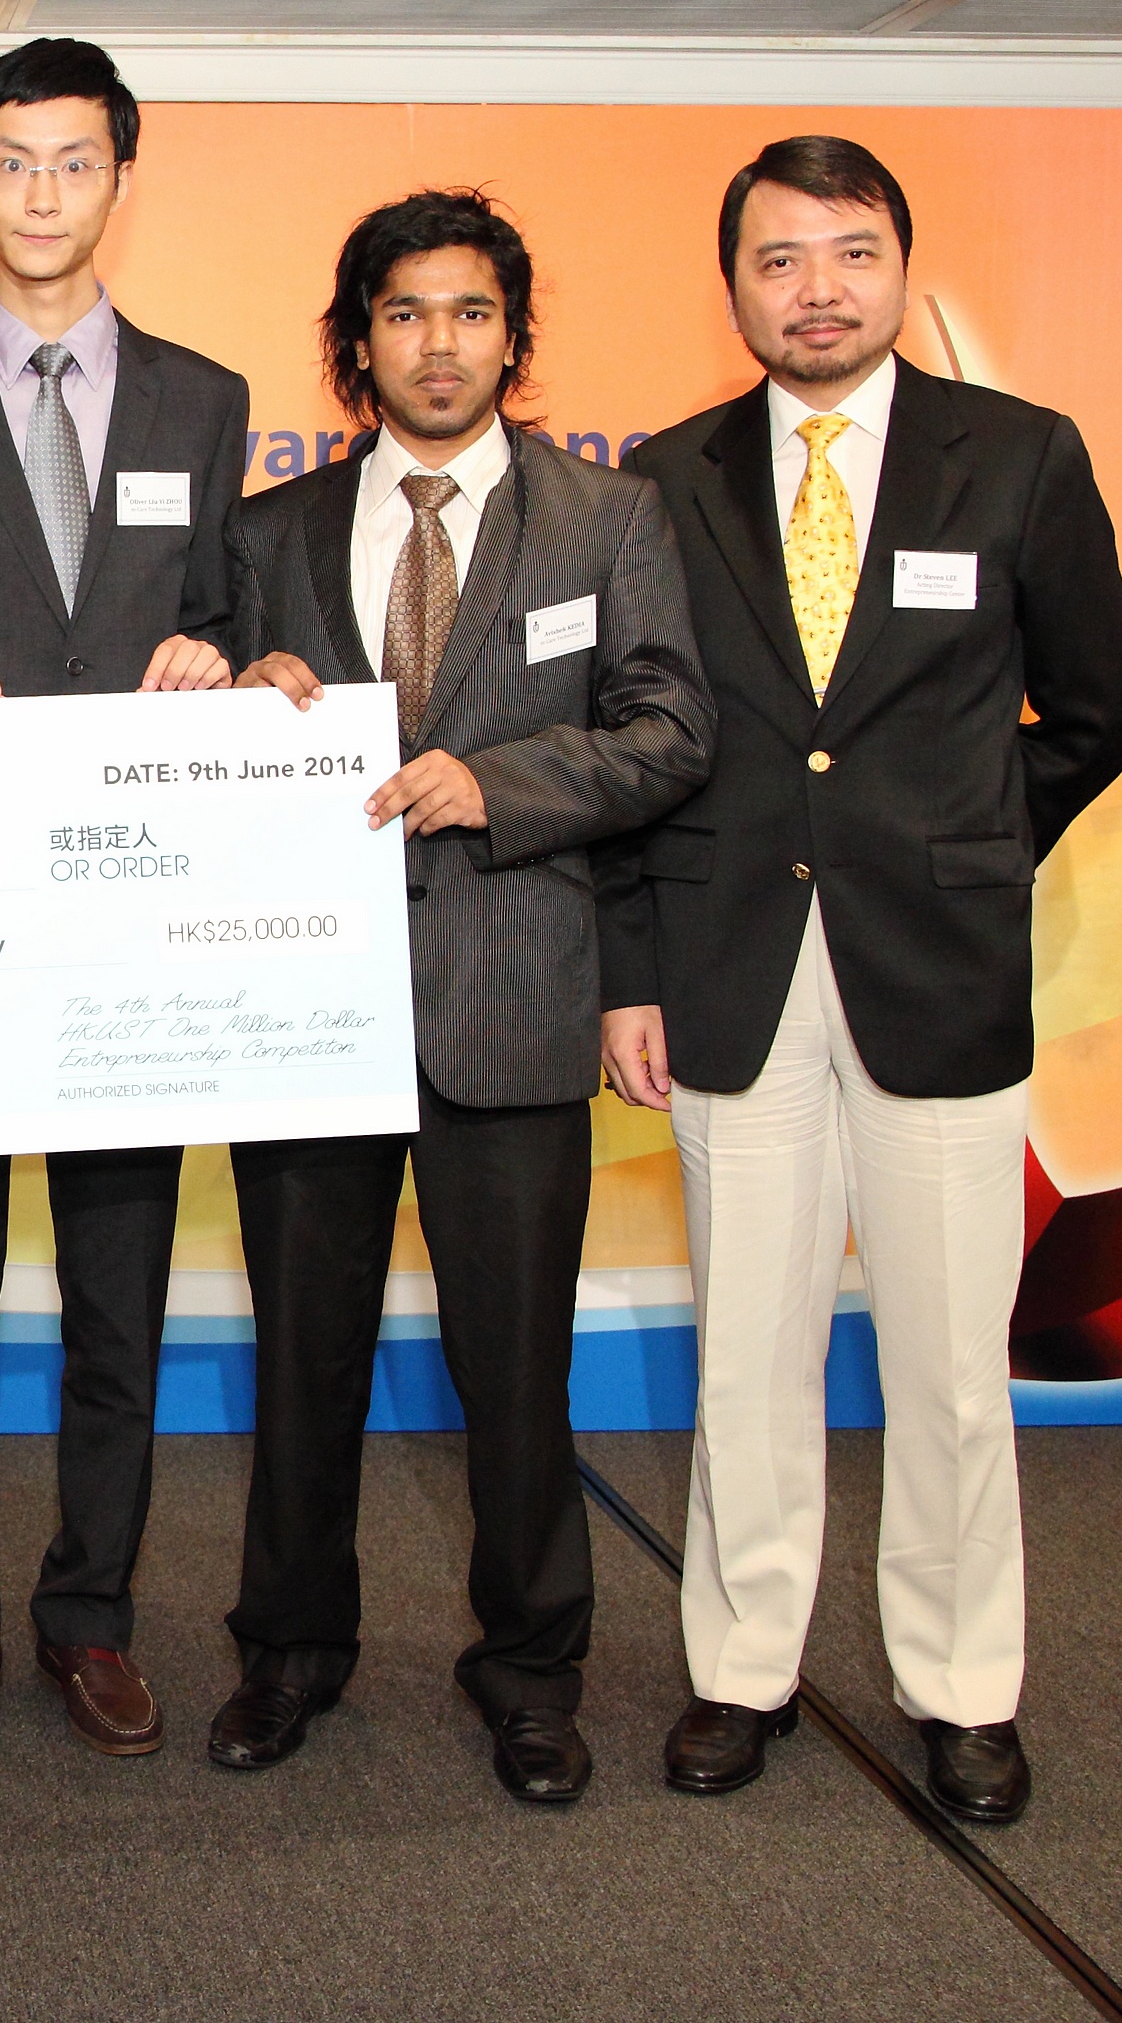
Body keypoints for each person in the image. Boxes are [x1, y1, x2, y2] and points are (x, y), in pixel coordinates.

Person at [600, 136, 1122, 1826]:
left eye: (849, 254)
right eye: (780, 260)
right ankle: (740, 1671)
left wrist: (968, 844)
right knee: (746, 1358)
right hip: (727, 973)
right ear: (736, 286)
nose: (817, 290)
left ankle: (963, 1687)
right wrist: (629, 968)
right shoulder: (668, 476)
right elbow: (628, 740)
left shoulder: (1023, 459)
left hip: (943, 973)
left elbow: (1099, 710)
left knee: (948, 1367)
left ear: (902, 267)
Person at [219, 190, 714, 1801]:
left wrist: (495, 782)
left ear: (516, 334)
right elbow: (211, 755)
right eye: (406, 315)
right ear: (357, 344)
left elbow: (668, 732)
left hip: (514, 996)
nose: (440, 345)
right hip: (305, 1015)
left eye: (471, 313)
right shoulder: (268, 531)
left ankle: (532, 1672)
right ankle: (288, 1654)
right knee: (302, 1358)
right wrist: (245, 704)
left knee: (517, 1371)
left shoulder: (608, 518)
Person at [0, 37, 244, 1760]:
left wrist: (219, 655)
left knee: (117, 1292)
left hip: (131, 927)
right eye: (11, 162)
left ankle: (90, 1615)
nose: (41, 194)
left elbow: (236, 609)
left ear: (120, 181)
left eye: (74, 162)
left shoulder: (203, 401)